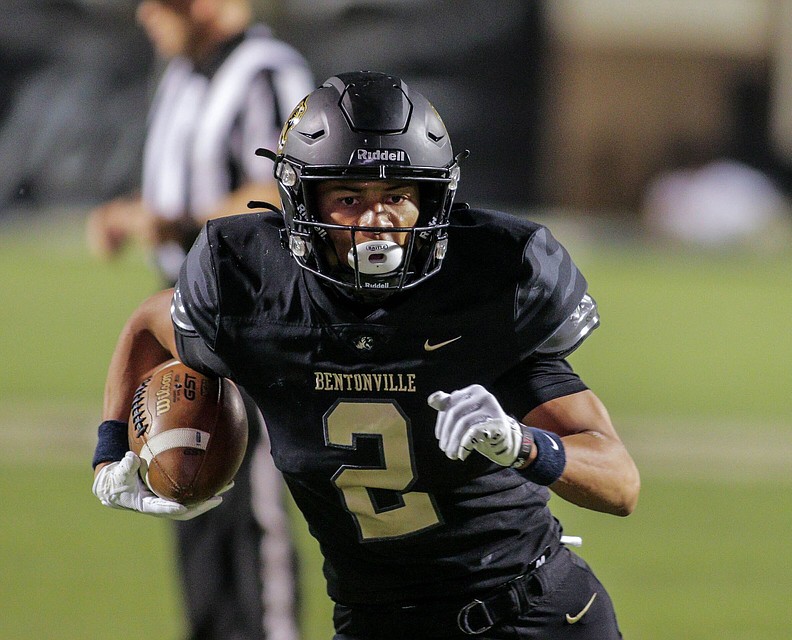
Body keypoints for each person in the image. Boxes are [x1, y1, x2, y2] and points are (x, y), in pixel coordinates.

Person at [91, 71, 640, 639]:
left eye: (397, 196)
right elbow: (149, 323)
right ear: (301, 199)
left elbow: (620, 482)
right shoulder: (253, 287)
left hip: (530, 615)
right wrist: (109, 451)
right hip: (374, 621)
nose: (376, 222)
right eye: (350, 198)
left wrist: (523, 445)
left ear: (433, 198)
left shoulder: (488, 286)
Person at [87, 2, 315, 639]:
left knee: (253, 507)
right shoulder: (186, 75)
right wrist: (134, 216)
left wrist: (179, 223)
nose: (145, 14)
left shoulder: (267, 71)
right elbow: (182, 199)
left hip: (246, 310)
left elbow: (280, 191)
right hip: (180, 310)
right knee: (185, 489)